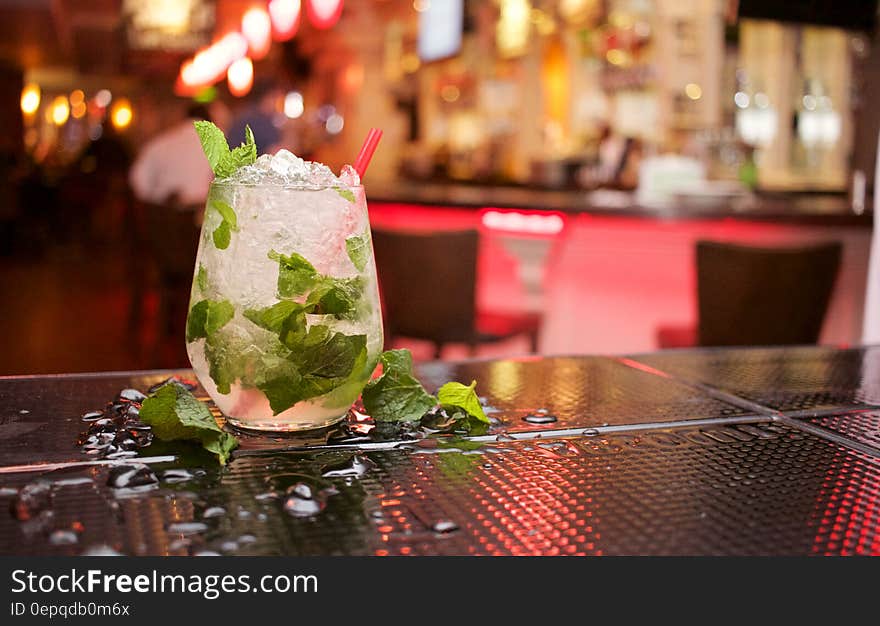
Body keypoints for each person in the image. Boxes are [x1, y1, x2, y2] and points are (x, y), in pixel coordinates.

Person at [129, 104, 215, 208]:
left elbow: (137, 182)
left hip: (161, 214)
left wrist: (155, 198)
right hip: (201, 216)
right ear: (209, 122)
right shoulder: (214, 147)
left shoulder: (159, 142)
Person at [227, 79, 284, 154]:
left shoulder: (245, 115)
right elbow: (275, 153)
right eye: (276, 98)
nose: (278, 104)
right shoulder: (259, 121)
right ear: (268, 97)